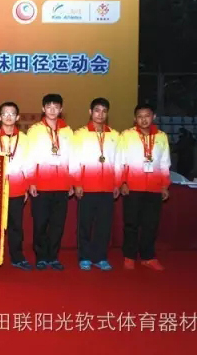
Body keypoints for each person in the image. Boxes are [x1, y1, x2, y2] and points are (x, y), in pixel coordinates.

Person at [116, 103, 170, 271]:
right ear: (135, 118)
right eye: (140, 116)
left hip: (154, 187)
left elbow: (164, 163)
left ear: (153, 117)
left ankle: (148, 256)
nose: (143, 120)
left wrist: (165, 185)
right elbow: (120, 160)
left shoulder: (161, 136)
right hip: (133, 186)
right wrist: (122, 182)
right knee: (131, 223)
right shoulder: (126, 135)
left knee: (151, 224)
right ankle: (129, 256)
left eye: (147, 116)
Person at [70, 98, 120, 271]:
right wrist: (77, 183)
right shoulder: (79, 134)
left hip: (107, 187)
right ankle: (84, 257)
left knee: (104, 225)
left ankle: (100, 257)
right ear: (90, 112)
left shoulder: (114, 135)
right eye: (97, 110)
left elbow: (118, 161)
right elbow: (74, 160)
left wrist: (117, 183)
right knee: (85, 224)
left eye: (104, 111)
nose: (100, 114)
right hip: (87, 186)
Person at [25, 93, 73, 271]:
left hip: (62, 185)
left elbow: (72, 158)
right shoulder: (35, 130)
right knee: (40, 223)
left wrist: (71, 182)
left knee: (57, 224)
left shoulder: (67, 131)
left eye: (56, 107)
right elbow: (29, 156)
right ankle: (41, 257)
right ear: (43, 109)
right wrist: (31, 181)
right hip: (41, 185)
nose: (52, 110)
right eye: (49, 107)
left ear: (61, 109)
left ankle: (53, 257)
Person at [0, 102, 32, 271]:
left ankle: (17, 257)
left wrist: (27, 186)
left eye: (12, 114)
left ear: (17, 117)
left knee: (16, 225)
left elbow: (28, 164)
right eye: (5, 113)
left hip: (17, 187)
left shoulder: (25, 139)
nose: (8, 117)